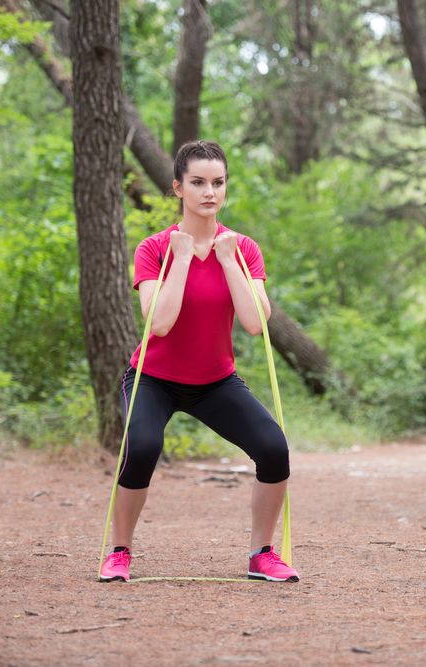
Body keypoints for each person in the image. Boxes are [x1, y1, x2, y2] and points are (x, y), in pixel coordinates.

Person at [99, 140, 297, 583]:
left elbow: (254, 323)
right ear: (178, 188)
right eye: (198, 182)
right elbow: (160, 324)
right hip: (154, 378)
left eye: (218, 182)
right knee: (143, 447)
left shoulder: (243, 249)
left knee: (273, 449)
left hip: (215, 381)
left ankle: (262, 554)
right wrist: (184, 260)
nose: (210, 192)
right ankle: (119, 552)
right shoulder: (154, 249)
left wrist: (227, 262)